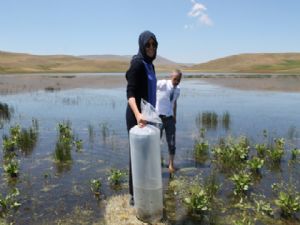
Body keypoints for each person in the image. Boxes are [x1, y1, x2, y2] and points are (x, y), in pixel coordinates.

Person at [125, 30, 158, 206]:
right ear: (142, 45)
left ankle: (144, 185)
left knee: (147, 154)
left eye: (153, 44)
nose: (151, 47)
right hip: (136, 116)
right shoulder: (137, 64)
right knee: (136, 153)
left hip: (149, 116)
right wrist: (138, 115)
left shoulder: (150, 65)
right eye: (148, 44)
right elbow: (130, 93)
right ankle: (133, 194)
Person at [156, 69, 182, 173]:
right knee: (155, 142)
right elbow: (149, 87)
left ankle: (171, 164)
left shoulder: (178, 89)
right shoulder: (162, 84)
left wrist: (175, 116)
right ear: (171, 77)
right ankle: (155, 163)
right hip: (158, 119)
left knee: (172, 142)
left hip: (170, 119)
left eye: (179, 80)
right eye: (175, 79)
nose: (176, 81)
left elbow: (174, 103)